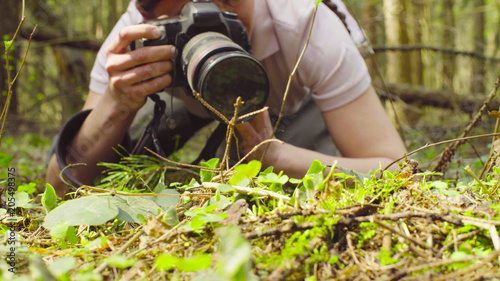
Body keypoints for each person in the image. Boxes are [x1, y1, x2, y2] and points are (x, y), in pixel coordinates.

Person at [46, 0, 407, 197]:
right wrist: (117, 105)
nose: (211, 19)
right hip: (174, 91)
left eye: (229, 3)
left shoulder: (308, 26)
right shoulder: (137, 42)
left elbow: (399, 170)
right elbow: (60, 184)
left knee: (266, 180)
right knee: (126, 148)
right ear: (148, 13)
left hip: (288, 98)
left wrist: (277, 155)